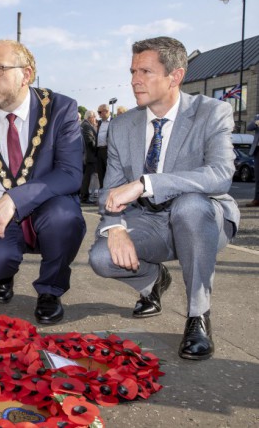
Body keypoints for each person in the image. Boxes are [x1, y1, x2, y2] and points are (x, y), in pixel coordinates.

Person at [88, 36, 240, 360]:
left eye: (145, 71)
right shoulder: (122, 125)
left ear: (176, 76)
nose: (134, 80)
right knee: (102, 257)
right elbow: (110, 190)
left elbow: (220, 175)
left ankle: (198, 316)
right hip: (149, 220)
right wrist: (115, 228)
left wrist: (146, 183)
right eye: (132, 71)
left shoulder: (212, 112)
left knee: (189, 206)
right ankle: (155, 279)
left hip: (202, 218)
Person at [0, 39, 86, 325]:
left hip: (47, 208)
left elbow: (70, 174)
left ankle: (50, 289)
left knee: (65, 219)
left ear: (26, 74)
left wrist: (14, 199)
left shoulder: (60, 109)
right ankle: (1, 273)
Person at [79, 110, 98, 204]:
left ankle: (83, 196)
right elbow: (90, 141)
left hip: (88, 155)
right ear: (90, 117)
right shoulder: (86, 125)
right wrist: (99, 146)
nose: (95, 118)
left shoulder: (85, 124)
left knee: (87, 177)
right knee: (88, 177)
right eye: (94, 116)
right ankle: (84, 197)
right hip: (90, 156)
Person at [95, 104, 110, 188]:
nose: (98, 114)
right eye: (98, 112)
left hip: (109, 151)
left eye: (100, 112)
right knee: (100, 173)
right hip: (99, 151)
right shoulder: (99, 122)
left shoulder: (113, 122)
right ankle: (102, 191)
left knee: (109, 173)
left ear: (107, 111)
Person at [246, 114, 259, 207]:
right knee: (258, 176)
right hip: (258, 150)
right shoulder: (258, 117)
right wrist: (256, 123)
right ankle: (257, 199)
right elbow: (249, 128)